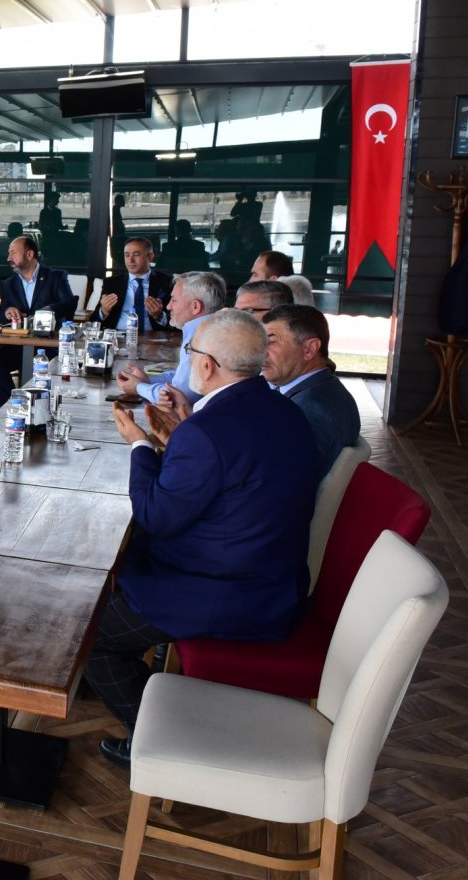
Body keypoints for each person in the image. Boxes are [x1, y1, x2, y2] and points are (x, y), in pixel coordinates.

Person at [92, 310, 320, 765]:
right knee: (113, 585)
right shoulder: (285, 411)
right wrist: (180, 435)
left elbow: (156, 516)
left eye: (191, 351)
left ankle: (164, 743)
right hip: (275, 578)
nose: (190, 358)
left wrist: (139, 444)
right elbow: (230, 476)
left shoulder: (207, 430)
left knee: (89, 635)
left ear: (207, 365)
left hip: (224, 592)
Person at [263, 305, 361, 472]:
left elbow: (280, 476)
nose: (260, 352)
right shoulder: (320, 390)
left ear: (309, 349)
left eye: (271, 342)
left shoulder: (313, 410)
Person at [116, 271, 226, 406]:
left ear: (195, 307)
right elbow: (182, 377)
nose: (168, 307)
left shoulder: (203, 339)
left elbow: (179, 397)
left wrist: (138, 387)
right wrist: (148, 379)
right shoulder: (214, 328)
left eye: (174, 300)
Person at [0, 236, 75, 399]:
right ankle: (13, 403)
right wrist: (7, 311)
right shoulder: (8, 284)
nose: (8, 258)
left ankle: (39, 407)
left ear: (30, 254)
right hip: (18, 346)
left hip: (48, 346)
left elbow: (69, 304)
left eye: (13, 253)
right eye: (9, 254)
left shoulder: (55, 276)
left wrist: (49, 310)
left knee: (45, 370)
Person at [98, 237, 174, 331]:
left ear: (150, 256)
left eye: (136, 254)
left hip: (154, 338)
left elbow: (179, 322)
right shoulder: (111, 283)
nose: (131, 260)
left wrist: (159, 315)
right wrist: (103, 311)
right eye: (127, 255)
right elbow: (93, 320)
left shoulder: (167, 282)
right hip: (118, 336)